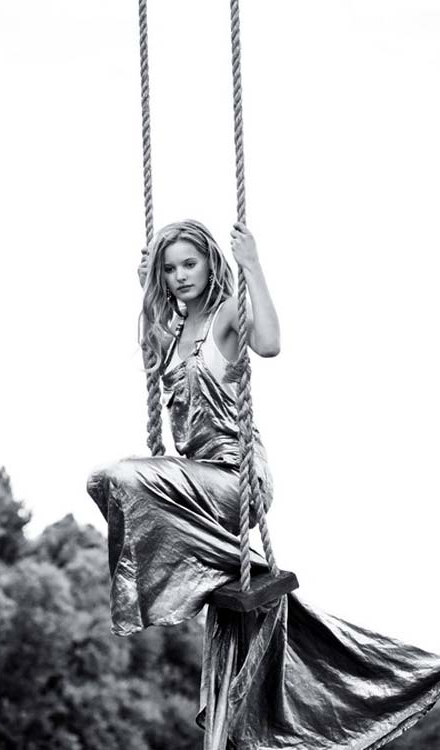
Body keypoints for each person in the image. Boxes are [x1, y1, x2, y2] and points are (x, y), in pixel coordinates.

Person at [87, 219, 440, 750]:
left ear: (210, 263)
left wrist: (251, 264)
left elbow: (270, 344)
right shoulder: (173, 329)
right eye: (170, 269)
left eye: (189, 264)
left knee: (119, 476)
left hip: (236, 478)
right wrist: (144, 291)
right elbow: (151, 350)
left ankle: (190, 577)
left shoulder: (227, 313)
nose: (181, 276)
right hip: (196, 481)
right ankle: (211, 574)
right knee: (104, 484)